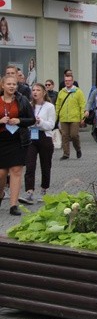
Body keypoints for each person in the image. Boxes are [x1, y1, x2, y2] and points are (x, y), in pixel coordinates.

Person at [0, 75, 36, 215]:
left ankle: (13, 205)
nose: (12, 86)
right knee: (2, 173)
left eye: (14, 84)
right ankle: (1, 193)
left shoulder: (22, 100)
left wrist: (19, 120)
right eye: (9, 84)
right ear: (2, 85)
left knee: (16, 171)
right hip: (1, 140)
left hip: (17, 140)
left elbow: (31, 119)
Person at [20, 83, 56, 204]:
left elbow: (51, 125)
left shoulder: (49, 106)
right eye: (33, 90)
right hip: (31, 136)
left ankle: (44, 189)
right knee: (30, 165)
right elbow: (25, 122)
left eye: (38, 90)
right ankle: (29, 191)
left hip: (45, 137)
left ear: (44, 92)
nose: (35, 92)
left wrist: (40, 122)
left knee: (45, 164)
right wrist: (31, 122)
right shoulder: (29, 105)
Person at [55, 73, 86, 161]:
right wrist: (56, 117)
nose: (67, 82)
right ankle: (66, 154)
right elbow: (58, 105)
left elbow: (82, 105)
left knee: (74, 135)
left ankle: (78, 149)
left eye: (69, 80)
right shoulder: (61, 92)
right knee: (64, 136)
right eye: (66, 81)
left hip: (74, 117)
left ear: (72, 81)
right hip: (63, 117)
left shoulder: (78, 92)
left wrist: (82, 118)